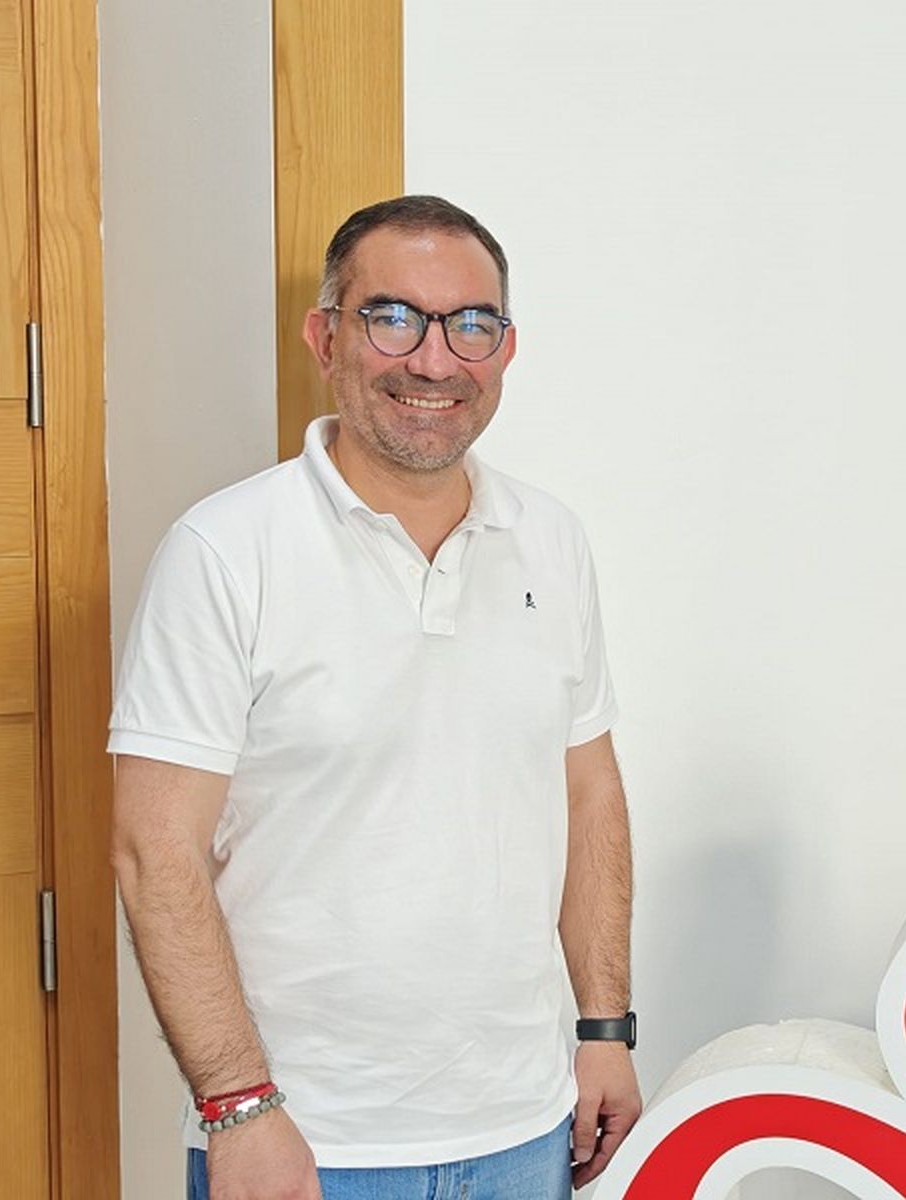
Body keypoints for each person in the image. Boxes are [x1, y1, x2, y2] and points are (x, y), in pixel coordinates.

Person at [111, 195, 641, 1200]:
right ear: (325, 336)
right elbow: (154, 853)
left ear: (505, 347)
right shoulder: (225, 552)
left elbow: (589, 797)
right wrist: (239, 1108)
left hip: (527, 1130)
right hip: (308, 1146)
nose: (434, 362)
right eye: (392, 317)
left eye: (469, 325)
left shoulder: (552, 540)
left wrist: (604, 1030)